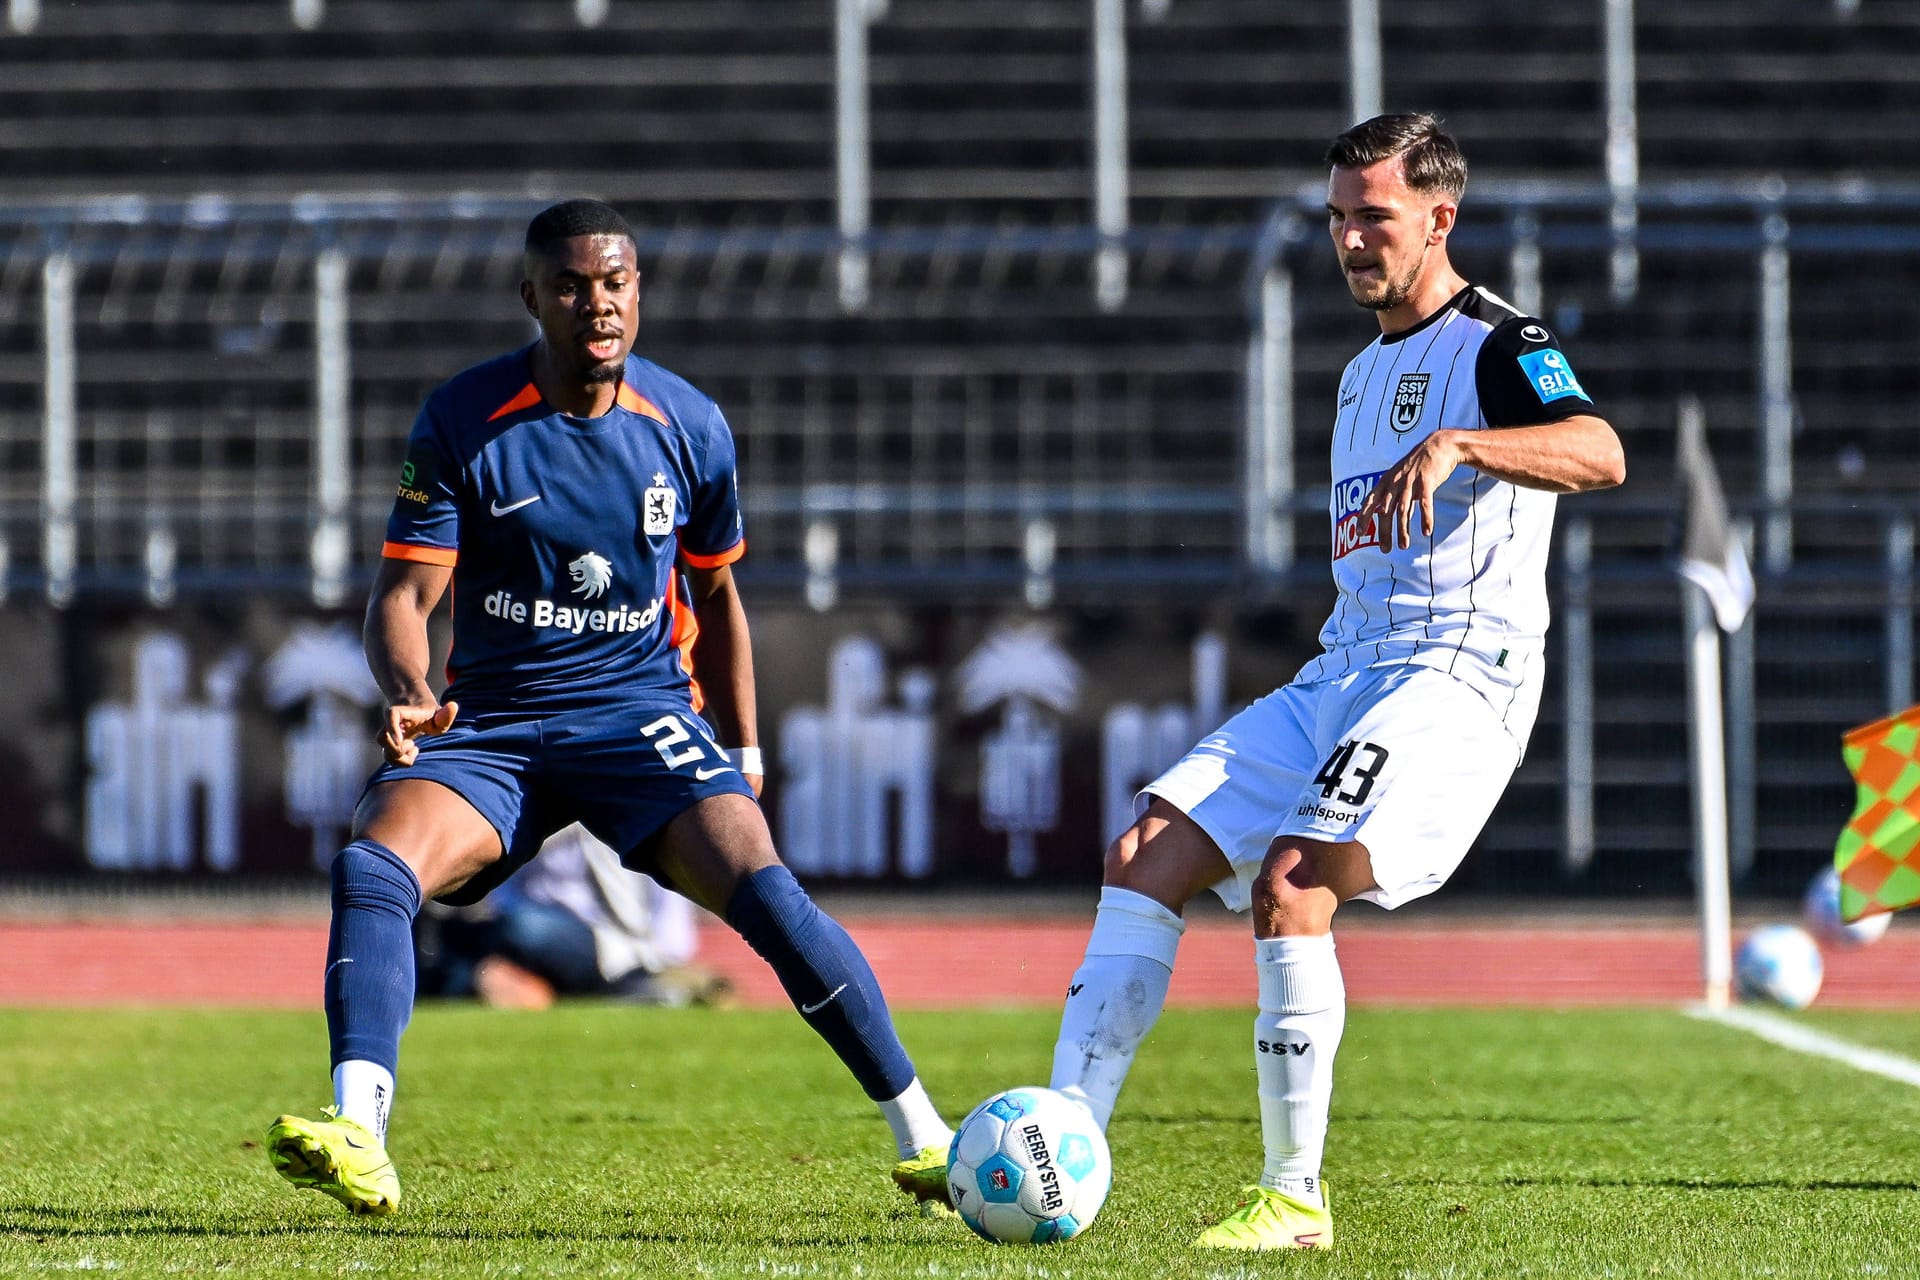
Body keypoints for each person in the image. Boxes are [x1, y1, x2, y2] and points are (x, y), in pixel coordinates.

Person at [266, 199, 953, 1217]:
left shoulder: (691, 427)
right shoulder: (462, 419)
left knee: (763, 885)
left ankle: (928, 1136)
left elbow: (718, 599)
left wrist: (746, 746)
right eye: (575, 284)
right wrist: (412, 693)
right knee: (374, 862)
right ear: (532, 295)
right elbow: (404, 598)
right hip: (492, 721)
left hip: (638, 715)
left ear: (639, 290)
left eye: (617, 282)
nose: (599, 303)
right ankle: (360, 1131)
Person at [1040, 114, 1625, 1252]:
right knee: (1144, 853)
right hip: (1347, 665)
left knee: (1296, 878)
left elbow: (1599, 449)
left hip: (1457, 667)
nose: (1352, 239)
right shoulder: (1362, 370)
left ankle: (1294, 1196)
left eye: (1375, 216)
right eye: (1338, 217)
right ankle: (1062, 1151)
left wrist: (1462, 443)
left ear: (1439, 219)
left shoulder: (1504, 342)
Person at [412, 822, 735, 1010]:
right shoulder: (533, 825)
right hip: (527, 940)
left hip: (603, 942)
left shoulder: (614, 818)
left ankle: (641, 983)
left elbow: (666, 891)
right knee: (436, 943)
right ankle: (503, 983)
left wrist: (661, 957)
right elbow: (504, 892)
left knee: (524, 927)